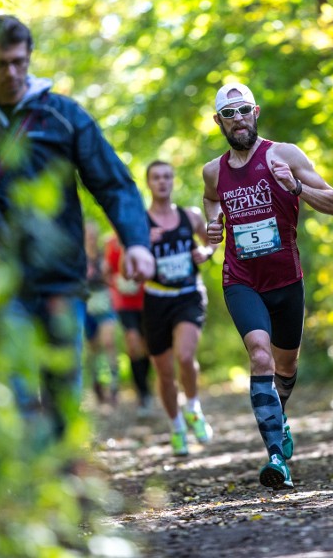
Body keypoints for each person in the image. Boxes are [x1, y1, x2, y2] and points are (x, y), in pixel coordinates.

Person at [0, 15, 154, 445]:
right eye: (1, 63)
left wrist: (137, 242)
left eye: (18, 61)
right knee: (16, 391)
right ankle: (32, 491)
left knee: (62, 390)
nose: (11, 72)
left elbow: (113, 183)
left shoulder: (63, 115)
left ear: (30, 57)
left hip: (60, 280)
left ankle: (60, 482)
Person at [202, 83, 333, 489]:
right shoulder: (214, 170)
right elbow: (211, 198)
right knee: (260, 358)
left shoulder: (284, 154)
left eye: (244, 109)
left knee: (285, 367)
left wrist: (296, 187)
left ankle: (280, 422)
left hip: (287, 281)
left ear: (256, 111)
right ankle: (277, 457)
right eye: (229, 113)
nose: (238, 118)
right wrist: (214, 223)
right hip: (241, 280)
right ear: (219, 122)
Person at [144, 160, 217, 456]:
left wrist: (206, 252)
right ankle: (176, 428)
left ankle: (194, 409)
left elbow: (211, 242)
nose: (162, 182)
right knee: (163, 373)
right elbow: (126, 269)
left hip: (188, 295)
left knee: (185, 355)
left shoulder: (190, 216)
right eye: (156, 177)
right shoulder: (139, 222)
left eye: (167, 176)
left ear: (173, 181)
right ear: (148, 183)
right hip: (155, 300)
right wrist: (143, 246)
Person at [105, 234, 155, 415]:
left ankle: (147, 387)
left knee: (147, 347)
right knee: (133, 344)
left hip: (146, 300)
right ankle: (142, 393)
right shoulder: (110, 243)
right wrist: (116, 281)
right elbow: (108, 272)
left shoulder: (142, 236)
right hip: (124, 304)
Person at [84, 221, 120, 405]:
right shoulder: (79, 258)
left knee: (108, 342)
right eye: (88, 234)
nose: (91, 237)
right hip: (87, 305)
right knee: (94, 348)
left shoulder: (103, 254)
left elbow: (113, 275)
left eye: (93, 234)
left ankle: (114, 385)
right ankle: (97, 384)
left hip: (106, 303)